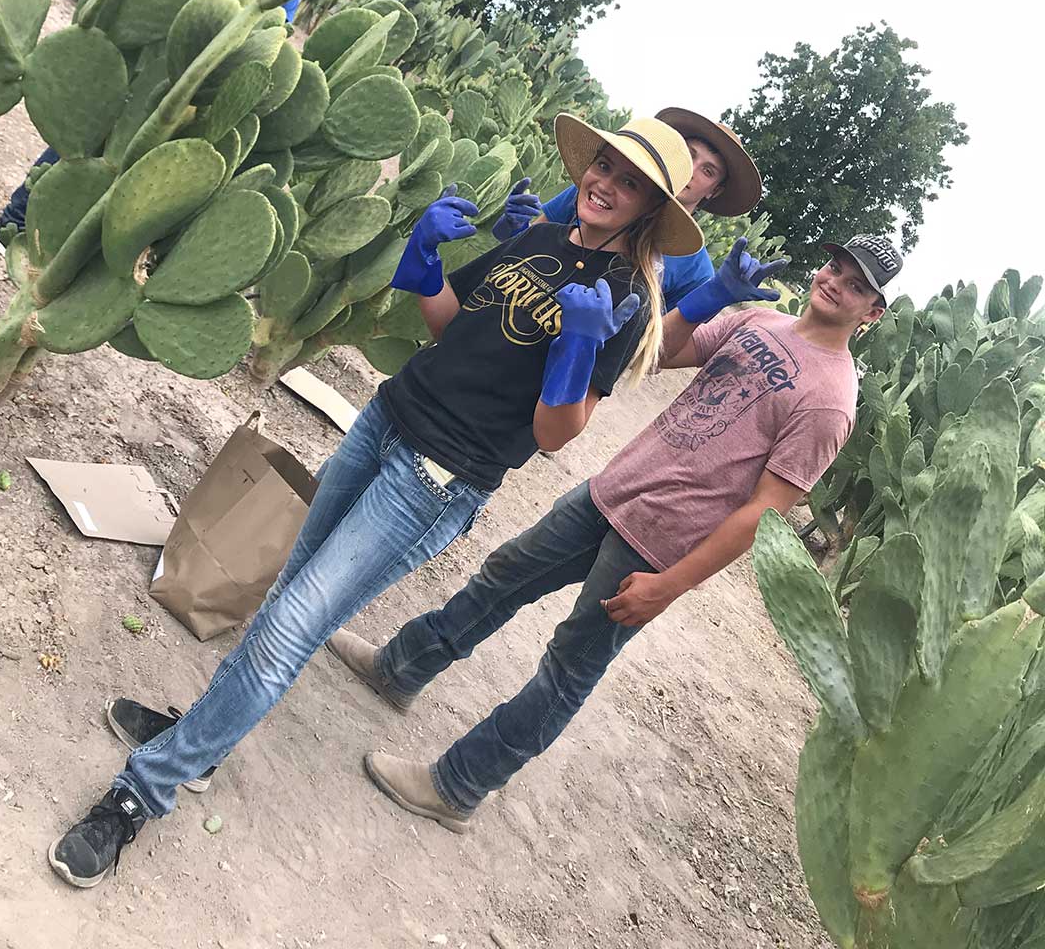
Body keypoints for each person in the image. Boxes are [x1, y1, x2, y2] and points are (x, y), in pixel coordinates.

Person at [47, 114, 702, 889]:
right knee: (287, 591)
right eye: (605, 164)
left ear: (652, 209)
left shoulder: (620, 302)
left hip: (433, 479)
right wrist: (423, 258)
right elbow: (448, 321)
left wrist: (579, 350)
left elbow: (557, 435)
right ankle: (199, 743)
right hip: (387, 422)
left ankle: (138, 794)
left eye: (630, 182)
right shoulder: (542, 241)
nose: (605, 183)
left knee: (292, 627)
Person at [329, 233, 903, 832]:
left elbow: (764, 512)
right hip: (614, 490)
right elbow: (656, 354)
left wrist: (670, 585)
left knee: (566, 668)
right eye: (836, 265)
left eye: (857, 284)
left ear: (873, 312)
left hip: (659, 543)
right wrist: (713, 298)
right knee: (504, 575)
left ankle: (458, 788)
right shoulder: (762, 320)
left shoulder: (832, 401)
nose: (836, 281)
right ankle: (400, 669)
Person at [0, 0, 314, 253]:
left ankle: (54, 242)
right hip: (169, 51)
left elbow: (276, 29)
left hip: (208, 80)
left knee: (136, 162)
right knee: (92, 130)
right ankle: (13, 220)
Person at [493, 108, 761, 315]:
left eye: (707, 170)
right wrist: (512, 229)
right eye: (689, 155)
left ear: (714, 190)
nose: (691, 170)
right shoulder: (594, 195)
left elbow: (654, 349)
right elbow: (527, 242)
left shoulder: (697, 271)